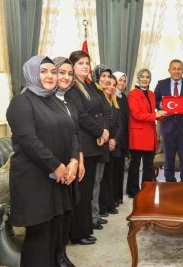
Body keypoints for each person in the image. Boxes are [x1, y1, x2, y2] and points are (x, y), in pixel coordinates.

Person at [6, 55, 78, 266]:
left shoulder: (53, 100)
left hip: (57, 178)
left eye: (52, 71)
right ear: (32, 73)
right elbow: (29, 140)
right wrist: (56, 166)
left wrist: (73, 160)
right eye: (43, 71)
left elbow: (72, 131)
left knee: (54, 232)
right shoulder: (21, 102)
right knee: (39, 236)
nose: (50, 76)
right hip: (33, 180)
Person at [67, 50, 109, 245]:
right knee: (82, 192)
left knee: (89, 189)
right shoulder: (72, 89)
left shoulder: (89, 86)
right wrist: (100, 132)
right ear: (72, 67)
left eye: (87, 63)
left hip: (94, 144)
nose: (85, 66)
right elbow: (81, 116)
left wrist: (103, 131)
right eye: (81, 63)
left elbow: (101, 110)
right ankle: (77, 233)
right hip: (84, 144)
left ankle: (85, 229)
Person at [52, 56, 82, 267]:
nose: (65, 77)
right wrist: (60, 165)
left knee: (68, 209)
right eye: (61, 72)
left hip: (71, 161)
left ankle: (62, 254)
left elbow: (74, 131)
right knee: (56, 212)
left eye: (69, 74)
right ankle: (56, 257)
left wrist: (78, 158)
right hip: (54, 166)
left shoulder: (69, 98)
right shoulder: (44, 99)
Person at [154, 59, 183, 182]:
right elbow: (155, 100)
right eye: (174, 68)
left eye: (179, 69)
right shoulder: (161, 84)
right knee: (168, 157)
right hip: (167, 127)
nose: (176, 71)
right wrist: (160, 106)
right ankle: (169, 181)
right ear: (169, 70)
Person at [127, 69, 167, 196]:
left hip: (150, 134)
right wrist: (156, 114)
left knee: (148, 166)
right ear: (138, 78)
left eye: (147, 77)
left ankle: (147, 189)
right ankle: (133, 191)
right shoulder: (132, 94)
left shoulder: (151, 94)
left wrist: (165, 113)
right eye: (142, 77)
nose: (145, 79)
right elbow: (137, 115)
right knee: (135, 166)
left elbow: (153, 113)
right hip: (138, 135)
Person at [90, 64, 115, 229]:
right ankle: (92, 217)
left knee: (97, 180)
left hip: (103, 142)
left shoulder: (101, 94)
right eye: (103, 76)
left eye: (108, 76)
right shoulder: (94, 94)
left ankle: (95, 215)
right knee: (94, 182)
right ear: (96, 77)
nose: (106, 79)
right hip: (95, 142)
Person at [98, 75, 122, 216]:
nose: (111, 87)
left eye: (114, 84)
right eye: (109, 84)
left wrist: (114, 140)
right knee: (103, 178)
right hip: (103, 144)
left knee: (111, 176)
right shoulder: (100, 101)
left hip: (114, 145)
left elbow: (120, 126)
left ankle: (109, 204)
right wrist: (108, 140)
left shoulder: (115, 103)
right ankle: (103, 207)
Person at [113, 71, 129, 201]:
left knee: (120, 169)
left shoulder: (124, 97)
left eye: (124, 81)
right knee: (112, 170)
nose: (122, 83)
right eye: (120, 80)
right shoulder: (110, 96)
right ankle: (112, 198)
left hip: (123, 138)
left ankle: (118, 196)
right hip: (113, 139)